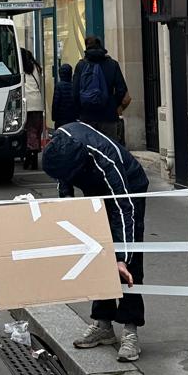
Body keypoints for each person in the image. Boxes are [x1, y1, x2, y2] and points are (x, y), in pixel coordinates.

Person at [41, 119, 149, 362]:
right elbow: (64, 184)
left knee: (129, 264)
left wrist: (122, 258)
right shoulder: (61, 146)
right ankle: (103, 324)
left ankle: (130, 330)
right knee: (97, 253)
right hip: (96, 189)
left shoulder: (104, 159)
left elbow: (124, 208)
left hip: (129, 187)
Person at [71, 35, 130, 142]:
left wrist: (81, 110)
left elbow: (75, 93)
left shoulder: (81, 66)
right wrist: (114, 105)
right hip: (108, 116)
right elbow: (121, 89)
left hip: (87, 116)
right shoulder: (112, 64)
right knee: (109, 149)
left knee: (88, 149)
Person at [20, 47, 44, 171]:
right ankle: (33, 156)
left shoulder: (22, 69)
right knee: (36, 130)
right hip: (38, 102)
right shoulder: (36, 67)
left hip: (27, 104)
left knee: (29, 131)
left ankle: (31, 155)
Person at [51, 62, 76, 128]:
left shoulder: (59, 86)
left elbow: (55, 103)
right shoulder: (74, 85)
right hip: (72, 118)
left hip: (60, 119)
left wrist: (54, 117)